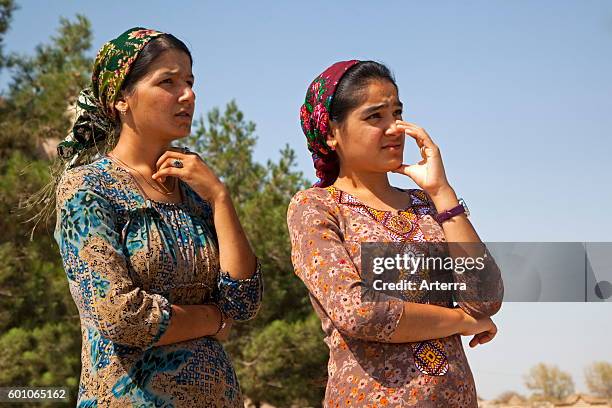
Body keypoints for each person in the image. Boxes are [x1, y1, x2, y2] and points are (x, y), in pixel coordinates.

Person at [53, 27, 262, 407]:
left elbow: (243, 300)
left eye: (190, 81)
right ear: (121, 99)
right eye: (168, 81)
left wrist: (220, 197)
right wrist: (213, 319)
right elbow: (123, 316)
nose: (188, 95)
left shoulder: (197, 189)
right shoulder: (87, 189)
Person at [287, 60, 503, 407]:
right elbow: (358, 311)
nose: (394, 128)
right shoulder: (316, 207)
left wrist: (442, 192)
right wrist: (461, 321)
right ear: (330, 133)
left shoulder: (427, 205)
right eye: (375, 117)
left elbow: (485, 298)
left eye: (397, 113)